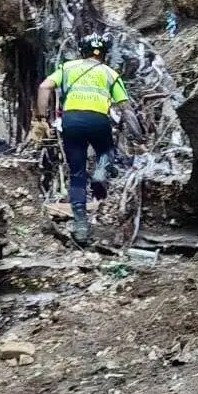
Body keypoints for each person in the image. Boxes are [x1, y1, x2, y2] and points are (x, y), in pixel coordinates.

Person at [36, 32, 133, 244]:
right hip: (98, 120)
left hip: (71, 121)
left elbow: (44, 87)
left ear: (82, 52)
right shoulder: (110, 73)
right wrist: (138, 134)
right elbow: (125, 107)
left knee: (77, 174)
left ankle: (80, 225)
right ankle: (100, 173)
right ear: (104, 54)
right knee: (106, 151)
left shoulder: (67, 68)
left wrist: (42, 119)